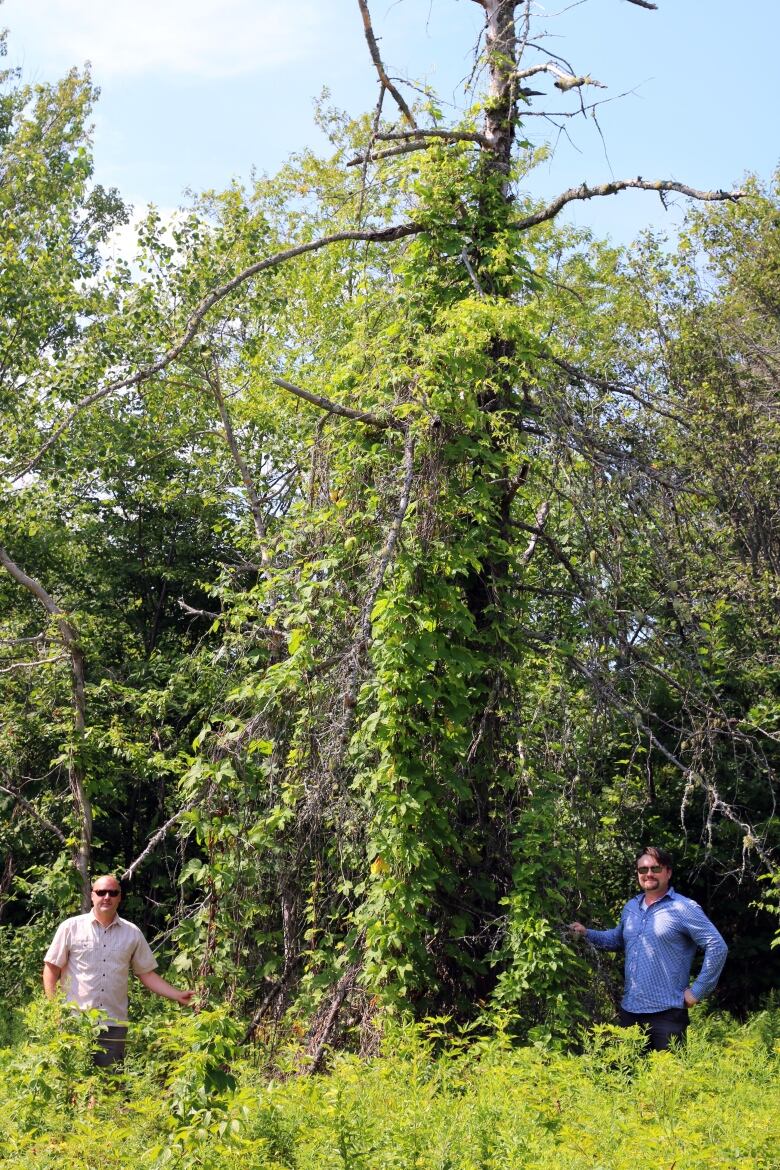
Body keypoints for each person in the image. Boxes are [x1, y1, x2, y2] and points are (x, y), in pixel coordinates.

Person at [569, 846, 728, 1051]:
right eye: (643, 870)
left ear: (668, 872)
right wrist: (586, 934)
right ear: (638, 874)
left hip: (667, 1015)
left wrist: (697, 991)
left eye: (655, 868)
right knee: (628, 1078)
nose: (649, 874)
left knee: (667, 1080)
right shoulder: (631, 907)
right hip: (630, 1012)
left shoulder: (684, 908)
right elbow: (617, 940)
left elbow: (717, 946)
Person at [43, 874, 195, 1066]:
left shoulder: (132, 933)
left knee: (109, 1087)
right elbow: (51, 969)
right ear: (92, 896)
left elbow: (146, 973)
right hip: (75, 1022)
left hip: (113, 1025)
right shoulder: (71, 927)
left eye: (113, 893)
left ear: (119, 897)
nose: (107, 897)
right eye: (101, 892)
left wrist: (178, 995)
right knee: (74, 1087)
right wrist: (54, 1011)